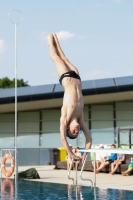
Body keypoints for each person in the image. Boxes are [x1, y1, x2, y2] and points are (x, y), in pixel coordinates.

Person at [48, 33, 92, 161]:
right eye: (77, 133)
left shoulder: (64, 120)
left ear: (68, 128)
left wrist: (71, 154)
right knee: (65, 58)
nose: (77, 130)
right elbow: (89, 138)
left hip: (66, 78)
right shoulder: (80, 120)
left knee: (57, 58)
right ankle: (56, 40)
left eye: (73, 132)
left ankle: (50, 42)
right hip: (77, 77)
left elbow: (62, 138)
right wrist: (84, 155)